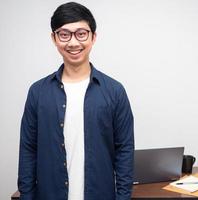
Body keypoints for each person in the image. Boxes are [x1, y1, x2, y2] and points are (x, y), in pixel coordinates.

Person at [17, 2, 134, 200]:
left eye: (81, 33)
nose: (73, 43)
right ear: (54, 38)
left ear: (93, 37)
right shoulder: (37, 92)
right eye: (64, 34)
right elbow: (28, 150)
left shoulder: (115, 91)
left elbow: (124, 151)